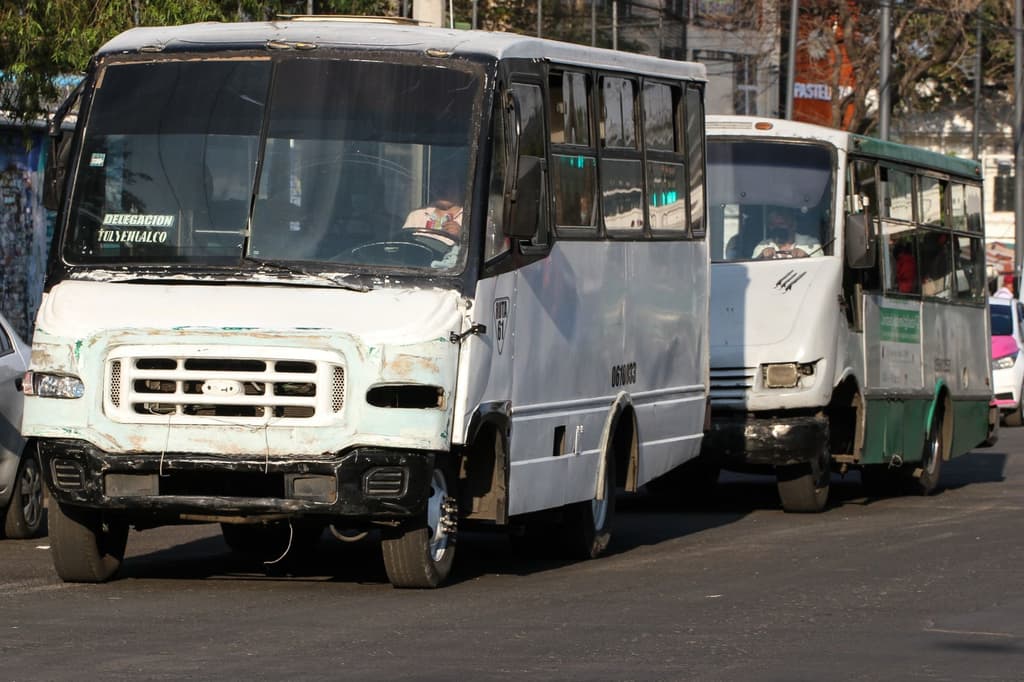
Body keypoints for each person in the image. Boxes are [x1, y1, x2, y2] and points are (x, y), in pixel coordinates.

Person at [751, 208, 821, 259]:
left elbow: (821, 269)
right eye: (772, 224)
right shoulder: (763, 245)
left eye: (781, 223)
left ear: (793, 225)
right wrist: (761, 256)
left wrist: (806, 256)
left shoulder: (810, 243)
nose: (776, 227)